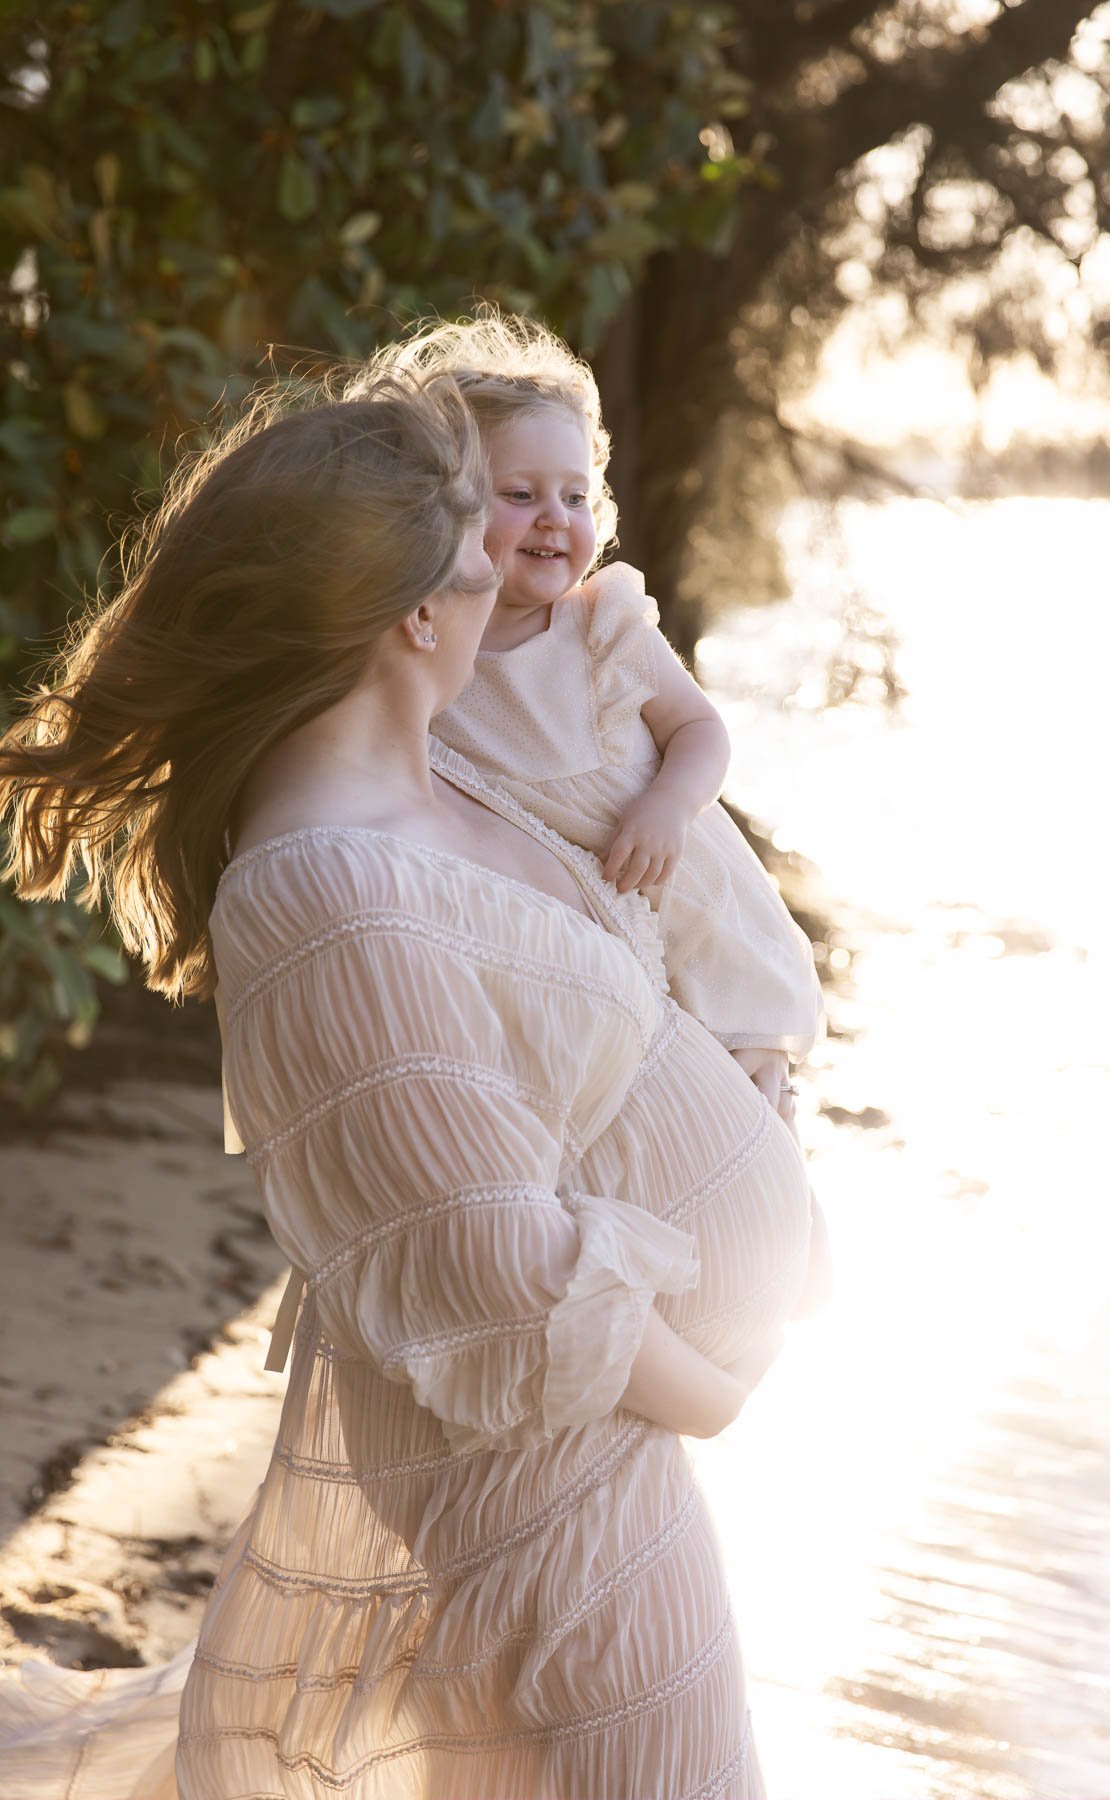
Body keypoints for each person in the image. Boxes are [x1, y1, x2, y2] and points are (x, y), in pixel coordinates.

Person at [0, 364, 821, 1798]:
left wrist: (738, 1105)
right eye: (468, 556)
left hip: (591, 1470)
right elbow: (493, 1267)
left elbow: (579, 1039)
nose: (511, 571)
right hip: (547, 1500)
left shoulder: (456, 772)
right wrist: (719, 1392)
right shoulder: (329, 892)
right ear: (410, 618)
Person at [348, 312, 824, 1122]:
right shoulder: (424, 654)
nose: (553, 519)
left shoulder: (603, 630)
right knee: (653, 1110)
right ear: (445, 509)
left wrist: (669, 804)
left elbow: (701, 729)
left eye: (574, 496)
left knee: (751, 1100)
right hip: (595, 935)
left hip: (690, 892)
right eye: (520, 495)